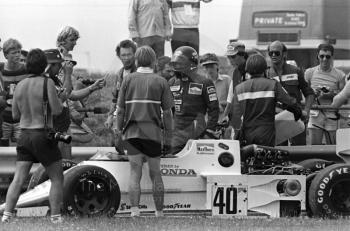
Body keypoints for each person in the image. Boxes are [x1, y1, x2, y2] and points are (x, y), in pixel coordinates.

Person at [1, 49, 64, 223]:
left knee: (19, 178)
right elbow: (57, 110)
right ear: (44, 65)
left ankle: (6, 216)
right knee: (57, 178)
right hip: (42, 134)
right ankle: (56, 218)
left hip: (24, 135)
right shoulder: (47, 83)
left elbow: (14, 115)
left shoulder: (20, 85)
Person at [113, 46, 173, 217]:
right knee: (155, 173)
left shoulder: (128, 79)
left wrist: (118, 131)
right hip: (153, 134)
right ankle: (159, 213)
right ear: (154, 61)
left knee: (135, 173)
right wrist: (169, 136)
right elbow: (168, 113)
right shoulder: (161, 81)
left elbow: (120, 110)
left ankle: (134, 212)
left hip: (131, 134)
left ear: (137, 61)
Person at [44, 49, 105, 158]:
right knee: (59, 165)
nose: (62, 67)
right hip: (55, 129)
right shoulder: (48, 81)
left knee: (66, 164)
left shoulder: (55, 80)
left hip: (63, 127)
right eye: (60, 64)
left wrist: (92, 88)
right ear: (51, 65)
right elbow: (66, 94)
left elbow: (72, 94)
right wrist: (68, 74)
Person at [231, 54, 302, 146]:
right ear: (265, 69)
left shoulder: (239, 89)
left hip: (247, 134)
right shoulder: (272, 85)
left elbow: (235, 117)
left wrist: (237, 133)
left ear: (248, 70)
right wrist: (298, 112)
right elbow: (290, 102)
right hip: (267, 134)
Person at [168, 46, 219, 154]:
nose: (177, 65)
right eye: (176, 62)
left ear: (191, 63)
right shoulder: (171, 82)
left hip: (198, 131)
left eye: (180, 62)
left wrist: (209, 131)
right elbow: (168, 109)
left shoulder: (205, 82)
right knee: (175, 165)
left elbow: (214, 109)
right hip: (177, 133)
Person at [266, 40, 315, 145]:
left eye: (277, 53)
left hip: (295, 116)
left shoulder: (296, 71)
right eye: (271, 53)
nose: (273, 55)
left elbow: (309, 93)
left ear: (284, 54)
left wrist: (306, 111)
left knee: (299, 152)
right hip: (276, 118)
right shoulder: (266, 74)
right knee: (279, 153)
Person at [305, 43, 346, 144]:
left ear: (332, 57)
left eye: (327, 56)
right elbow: (304, 94)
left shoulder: (340, 75)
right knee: (314, 149)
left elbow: (345, 98)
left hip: (332, 114)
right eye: (321, 56)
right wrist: (312, 93)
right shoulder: (309, 72)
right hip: (315, 115)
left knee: (332, 149)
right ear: (317, 56)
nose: (324, 59)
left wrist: (331, 94)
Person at [0, 38, 28, 146]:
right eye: (14, 53)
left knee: (21, 150)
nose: (18, 55)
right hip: (4, 118)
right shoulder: (1, 69)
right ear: (6, 55)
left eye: (19, 52)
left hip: (21, 119)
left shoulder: (27, 70)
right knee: (2, 151)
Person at [105, 39, 137, 129]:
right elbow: (115, 98)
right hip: (120, 116)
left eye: (129, 54)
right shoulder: (119, 74)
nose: (126, 58)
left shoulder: (139, 73)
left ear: (134, 54)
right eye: (123, 55)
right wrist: (110, 116)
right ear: (119, 56)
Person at [221, 42, 248, 123]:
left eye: (233, 56)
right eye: (228, 57)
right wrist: (224, 117)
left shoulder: (253, 69)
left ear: (242, 55)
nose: (230, 60)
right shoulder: (236, 72)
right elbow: (230, 99)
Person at [200, 53, 230, 121]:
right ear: (203, 68)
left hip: (224, 121)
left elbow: (233, 100)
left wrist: (220, 104)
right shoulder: (200, 84)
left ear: (217, 66)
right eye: (206, 67)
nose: (209, 69)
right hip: (207, 122)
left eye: (211, 66)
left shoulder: (227, 80)